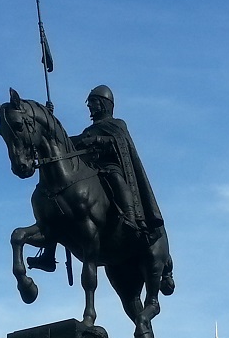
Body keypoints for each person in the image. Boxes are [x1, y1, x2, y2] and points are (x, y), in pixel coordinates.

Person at [27, 85, 164, 273]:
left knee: (115, 178)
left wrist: (98, 141)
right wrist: (50, 120)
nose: (90, 106)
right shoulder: (88, 130)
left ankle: (131, 219)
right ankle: (48, 254)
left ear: (105, 104)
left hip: (110, 167)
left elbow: (119, 143)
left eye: (93, 102)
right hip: (91, 171)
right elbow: (66, 143)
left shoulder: (117, 124)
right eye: (89, 103)